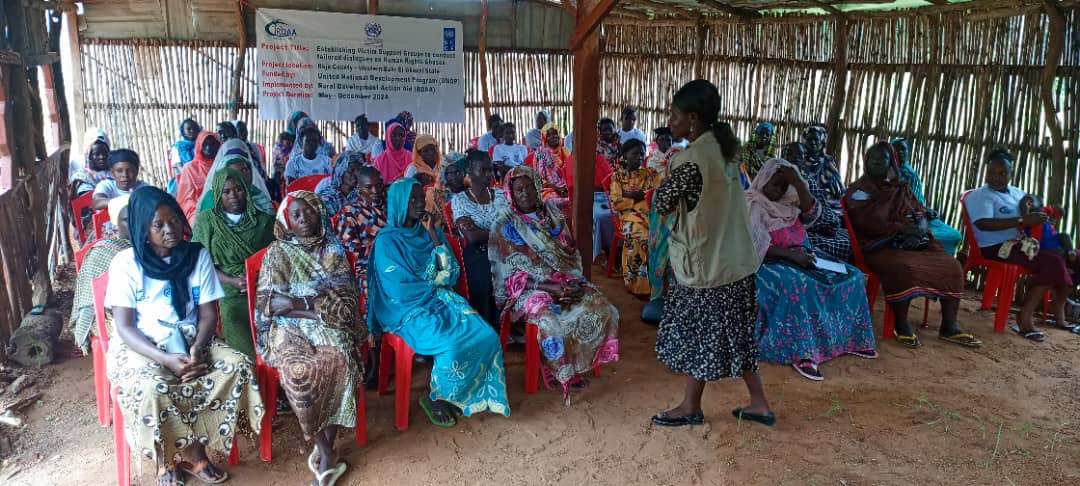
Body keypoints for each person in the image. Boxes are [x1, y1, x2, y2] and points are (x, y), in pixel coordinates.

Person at [105, 186, 262, 486]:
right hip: (142, 345)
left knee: (237, 365)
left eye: (174, 220)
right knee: (153, 386)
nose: (170, 230)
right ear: (142, 228)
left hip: (192, 337)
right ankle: (165, 459)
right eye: (158, 225)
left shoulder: (196, 255)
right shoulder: (126, 264)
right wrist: (165, 358)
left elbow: (207, 315)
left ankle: (196, 451)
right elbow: (124, 327)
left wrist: (199, 350)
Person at [652, 79, 774, 428]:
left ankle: (690, 406)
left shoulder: (690, 161)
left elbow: (662, 203)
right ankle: (760, 403)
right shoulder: (726, 149)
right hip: (737, 262)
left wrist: (667, 172)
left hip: (708, 266)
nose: (669, 121)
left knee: (700, 337)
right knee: (737, 334)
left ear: (692, 118)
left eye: (674, 115)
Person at [367, 178, 510, 426]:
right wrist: (435, 284)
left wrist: (434, 235)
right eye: (412, 199)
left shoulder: (429, 232)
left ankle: (462, 390)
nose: (419, 203)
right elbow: (399, 289)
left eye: (421, 198)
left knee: (486, 335)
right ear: (399, 202)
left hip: (441, 298)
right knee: (451, 344)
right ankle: (437, 397)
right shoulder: (387, 241)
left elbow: (450, 273)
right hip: (407, 309)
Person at [254, 191, 364, 485]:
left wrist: (296, 304)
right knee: (298, 372)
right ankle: (327, 451)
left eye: (309, 212)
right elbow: (269, 304)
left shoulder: (332, 249)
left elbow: (344, 301)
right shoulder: (277, 253)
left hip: (325, 320)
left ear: (320, 213)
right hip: (288, 329)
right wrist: (312, 307)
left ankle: (326, 449)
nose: (303, 219)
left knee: (343, 356)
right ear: (286, 221)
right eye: (296, 215)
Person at [489, 166, 620, 400]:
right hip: (527, 289)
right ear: (511, 193)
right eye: (519, 190)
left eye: (530, 187)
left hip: (563, 279)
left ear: (538, 187)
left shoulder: (552, 214)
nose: (526, 193)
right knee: (550, 320)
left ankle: (580, 361)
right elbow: (507, 276)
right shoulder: (505, 223)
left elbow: (568, 250)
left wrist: (568, 283)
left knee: (602, 307)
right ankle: (558, 369)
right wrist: (550, 287)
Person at [746, 159, 876, 381]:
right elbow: (753, 245)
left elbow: (813, 212)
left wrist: (796, 181)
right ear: (763, 179)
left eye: (782, 186)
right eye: (773, 184)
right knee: (798, 285)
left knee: (852, 276)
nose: (776, 191)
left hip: (803, 254)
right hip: (767, 261)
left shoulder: (791, 201)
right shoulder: (751, 202)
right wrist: (791, 255)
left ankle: (853, 340)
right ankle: (803, 353)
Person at [846, 142, 981, 348]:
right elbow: (865, 221)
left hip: (912, 241)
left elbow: (920, 213)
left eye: (882, 159)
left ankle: (949, 325)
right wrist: (899, 230)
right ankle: (900, 324)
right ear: (865, 161)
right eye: (872, 159)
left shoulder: (901, 187)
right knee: (903, 268)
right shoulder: (858, 190)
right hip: (879, 244)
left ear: (891, 162)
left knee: (952, 266)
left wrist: (918, 232)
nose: (876, 163)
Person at [965, 149, 1076, 341]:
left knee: (1074, 257)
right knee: (1053, 262)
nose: (996, 178)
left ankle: (1059, 304)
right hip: (997, 247)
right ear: (986, 171)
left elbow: (1032, 211)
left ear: (1011, 173)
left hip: (1023, 243)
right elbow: (983, 223)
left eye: (1002, 173)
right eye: (991, 173)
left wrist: (1045, 216)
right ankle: (1024, 317)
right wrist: (1022, 221)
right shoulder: (980, 196)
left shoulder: (1017, 192)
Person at [192, 168, 275, 358]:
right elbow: (199, 262)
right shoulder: (207, 222)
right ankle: (251, 374)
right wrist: (232, 281)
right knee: (241, 340)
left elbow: (276, 256)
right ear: (218, 194)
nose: (233, 196)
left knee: (275, 339)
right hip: (227, 291)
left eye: (238, 189)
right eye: (226, 191)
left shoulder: (263, 221)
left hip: (264, 287)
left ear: (246, 190)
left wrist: (259, 277)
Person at [451, 150, 507, 327]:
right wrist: (498, 230)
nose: (488, 175)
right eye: (482, 170)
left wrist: (482, 231)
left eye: (490, 170)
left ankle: (510, 323)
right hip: (477, 252)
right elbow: (472, 237)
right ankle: (488, 327)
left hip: (504, 248)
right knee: (485, 279)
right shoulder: (460, 200)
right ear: (469, 171)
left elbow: (511, 227)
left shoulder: (500, 195)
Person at [69, 195, 131, 354]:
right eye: (127, 219)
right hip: (110, 317)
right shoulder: (102, 254)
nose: (134, 223)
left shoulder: (154, 245)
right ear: (117, 222)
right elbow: (89, 303)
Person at [888, 138, 964, 256]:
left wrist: (926, 209)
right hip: (903, 217)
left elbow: (917, 200)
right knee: (932, 237)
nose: (900, 152)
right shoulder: (888, 174)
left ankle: (939, 260)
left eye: (903, 149)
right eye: (895, 149)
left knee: (954, 235)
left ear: (908, 152)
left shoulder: (911, 174)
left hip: (919, 214)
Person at [781, 142, 851, 262]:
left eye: (800, 155)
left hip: (816, 225)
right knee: (811, 244)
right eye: (790, 154)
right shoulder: (775, 177)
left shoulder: (808, 181)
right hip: (795, 229)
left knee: (848, 242)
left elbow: (820, 213)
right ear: (784, 155)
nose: (795, 158)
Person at [609, 139, 661, 296]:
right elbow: (617, 202)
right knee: (641, 236)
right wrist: (638, 197)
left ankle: (657, 282)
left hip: (650, 215)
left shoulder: (650, 173)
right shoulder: (618, 177)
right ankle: (638, 284)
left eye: (641, 153)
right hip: (627, 218)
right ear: (625, 155)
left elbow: (657, 194)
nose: (639, 157)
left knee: (663, 235)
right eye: (635, 153)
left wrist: (631, 195)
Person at [336, 166, 387, 299]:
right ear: (359, 188)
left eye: (378, 185)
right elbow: (349, 251)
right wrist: (381, 245)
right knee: (370, 285)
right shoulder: (350, 212)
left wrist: (369, 242)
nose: (375, 191)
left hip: (395, 260)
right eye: (368, 187)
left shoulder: (391, 207)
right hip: (367, 267)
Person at [197, 139, 274, 215]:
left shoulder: (259, 197)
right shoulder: (211, 201)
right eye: (233, 170)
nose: (239, 175)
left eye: (244, 170)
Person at [526, 123, 573, 219]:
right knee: (552, 201)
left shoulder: (566, 151)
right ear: (544, 138)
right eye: (549, 135)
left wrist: (568, 188)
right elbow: (539, 178)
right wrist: (556, 188)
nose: (553, 137)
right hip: (548, 189)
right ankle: (558, 227)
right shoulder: (540, 153)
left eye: (555, 133)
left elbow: (571, 173)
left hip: (567, 187)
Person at [797, 126, 845, 217]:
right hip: (803, 202)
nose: (813, 142)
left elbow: (838, 190)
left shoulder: (827, 161)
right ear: (804, 141)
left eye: (816, 139)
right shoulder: (799, 159)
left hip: (826, 203)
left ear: (822, 141)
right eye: (809, 139)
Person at [176, 131, 222, 222]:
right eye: (205, 144)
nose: (209, 148)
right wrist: (201, 209)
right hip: (198, 209)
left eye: (212, 144)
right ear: (199, 146)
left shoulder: (222, 165)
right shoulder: (189, 168)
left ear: (218, 146)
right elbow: (186, 199)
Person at [315, 150, 364, 219]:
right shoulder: (327, 199)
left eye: (359, 170)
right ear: (340, 171)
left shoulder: (360, 193)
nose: (356, 174)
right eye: (352, 170)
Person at [70, 128, 111, 197]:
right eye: (97, 154)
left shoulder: (115, 172)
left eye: (105, 153)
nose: (102, 157)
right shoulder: (83, 178)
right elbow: (87, 201)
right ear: (89, 156)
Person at [168, 118, 200, 194]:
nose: (192, 131)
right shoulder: (177, 147)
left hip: (201, 175)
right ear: (183, 132)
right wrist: (192, 177)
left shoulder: (202, 143)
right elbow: (178, 167)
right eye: (188, 129)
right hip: (184, 177)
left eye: (194, 128)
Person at [269, 131, 295, 201]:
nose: (291, 144)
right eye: (288, 142)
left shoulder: (281, 148)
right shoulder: (280, 150)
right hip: (280, 177)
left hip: (282, 177)